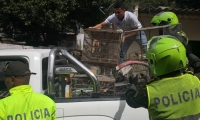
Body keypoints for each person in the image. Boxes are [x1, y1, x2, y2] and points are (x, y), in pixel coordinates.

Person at [126, 35, 200, 120]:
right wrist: (187, 50)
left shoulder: (149, 91)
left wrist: (132, 84)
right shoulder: (195, 80)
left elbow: (131, 100)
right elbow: (197, 64)